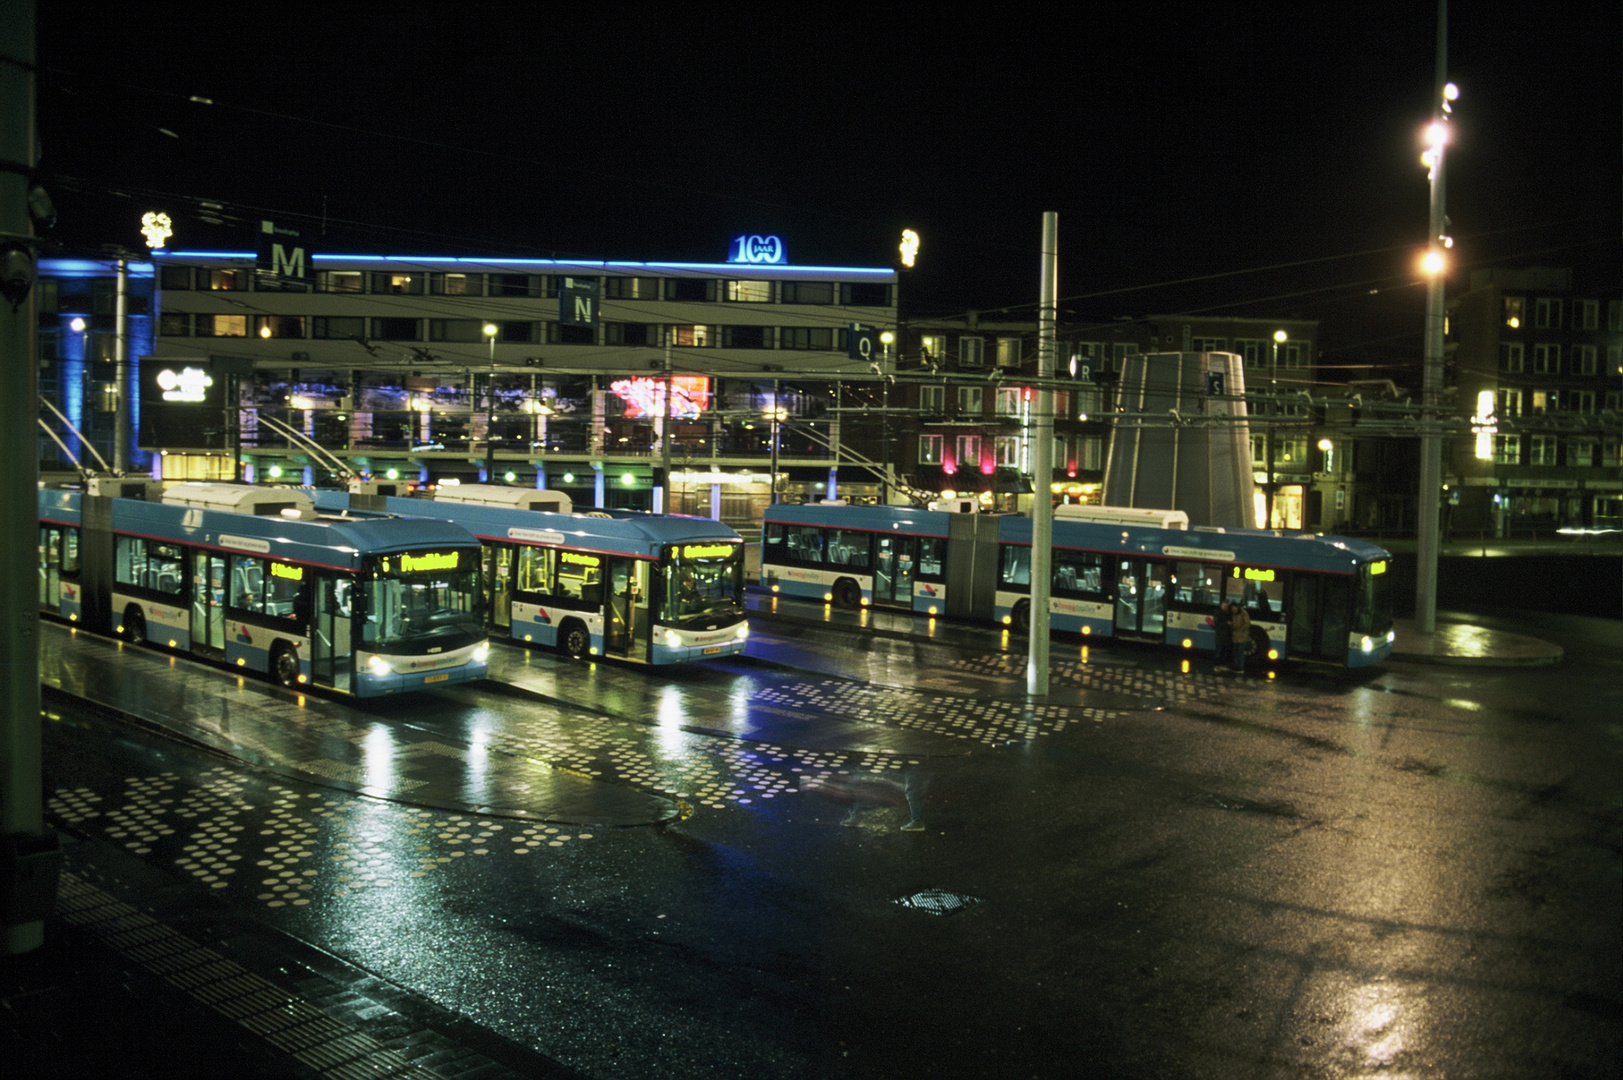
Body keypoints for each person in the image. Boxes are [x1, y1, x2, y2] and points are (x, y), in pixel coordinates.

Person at [1229, 601, 1252, 672]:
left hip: (1241, 636)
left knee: (1240, 652)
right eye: (1232, 609)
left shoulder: (1243, 613)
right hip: (1235, 636)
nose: (1234, 610)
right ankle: (1236, 667)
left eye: (1234, 609)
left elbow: (1247, 623)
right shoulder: (1234, 614)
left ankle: (1240, 667)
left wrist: (1240, 629)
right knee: (1235, 652)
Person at [1213, 601, 1233, 669]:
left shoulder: (1229, 613)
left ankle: (1222, 665)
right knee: (1219, 652)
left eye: (1226, 606)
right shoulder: (1218, 613)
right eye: (1224, 606)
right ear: (1221, 605)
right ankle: (1217, 665)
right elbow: (1217, 624)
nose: (1225, 607)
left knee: (1225, 652)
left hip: (1226, 637)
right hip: (1220, 636)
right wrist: (1227, 624)